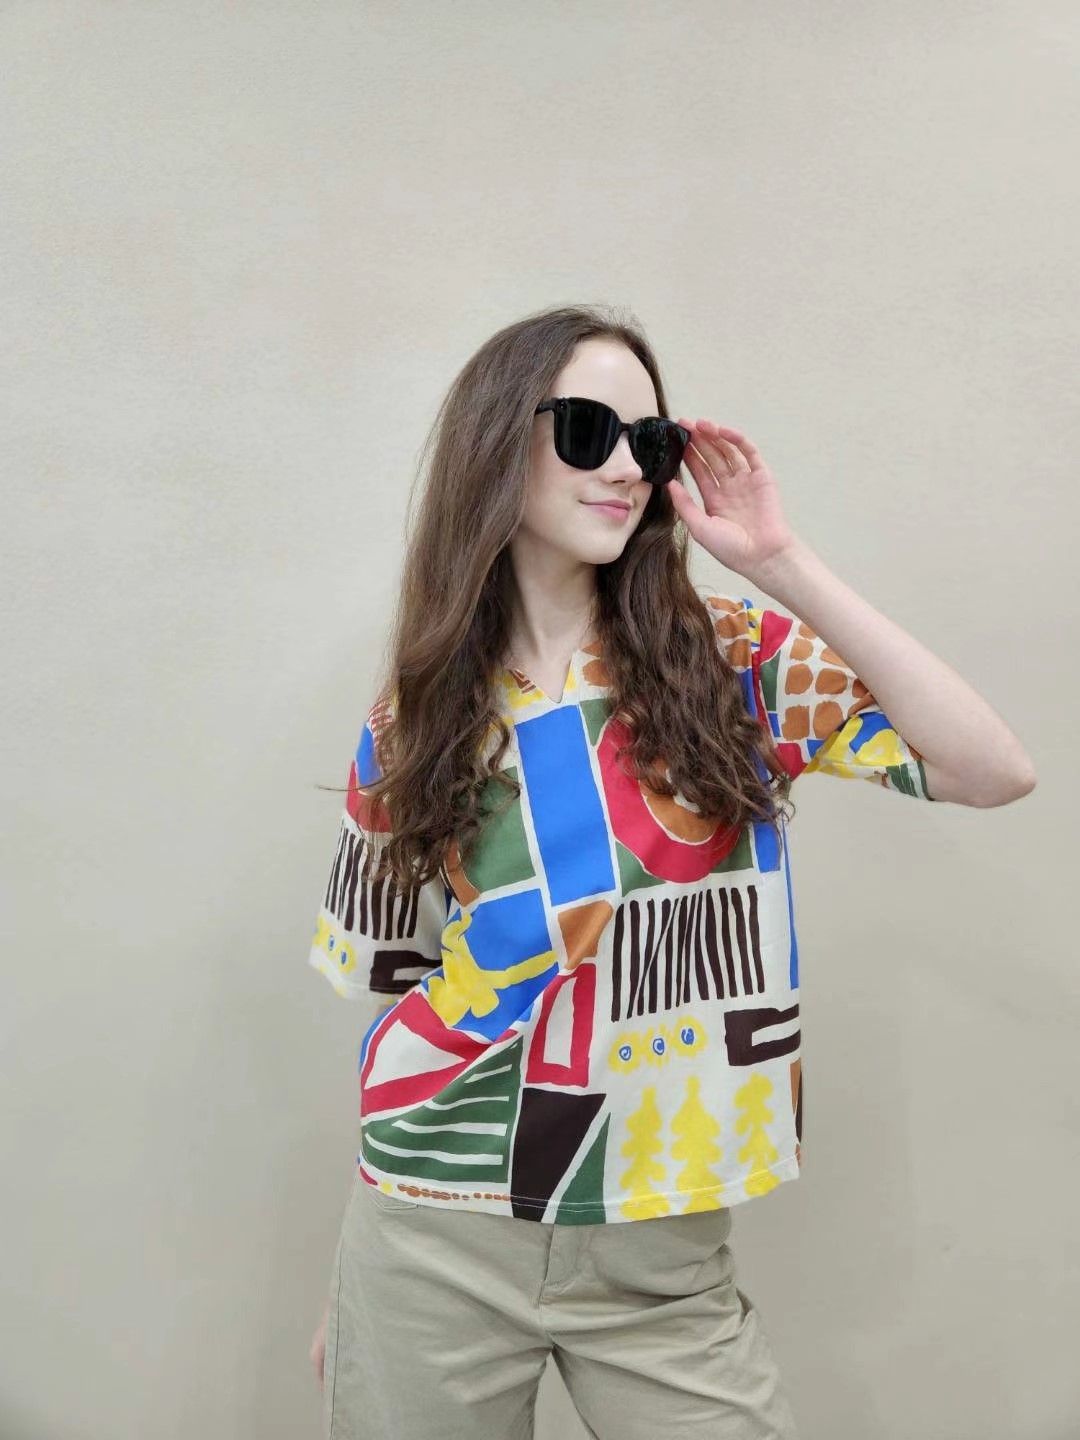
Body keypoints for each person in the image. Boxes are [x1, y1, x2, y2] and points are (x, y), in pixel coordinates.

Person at [304, 303, 1035, 1439]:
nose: (625, 469)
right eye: (587, 429)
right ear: (498, 439)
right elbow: (405, 982)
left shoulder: (728, 659)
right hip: (429, 1229)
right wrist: (353, 1275)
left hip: (657, 1240)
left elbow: (990, 769)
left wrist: (780, 563)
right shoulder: (419, 708)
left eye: (648, 442)